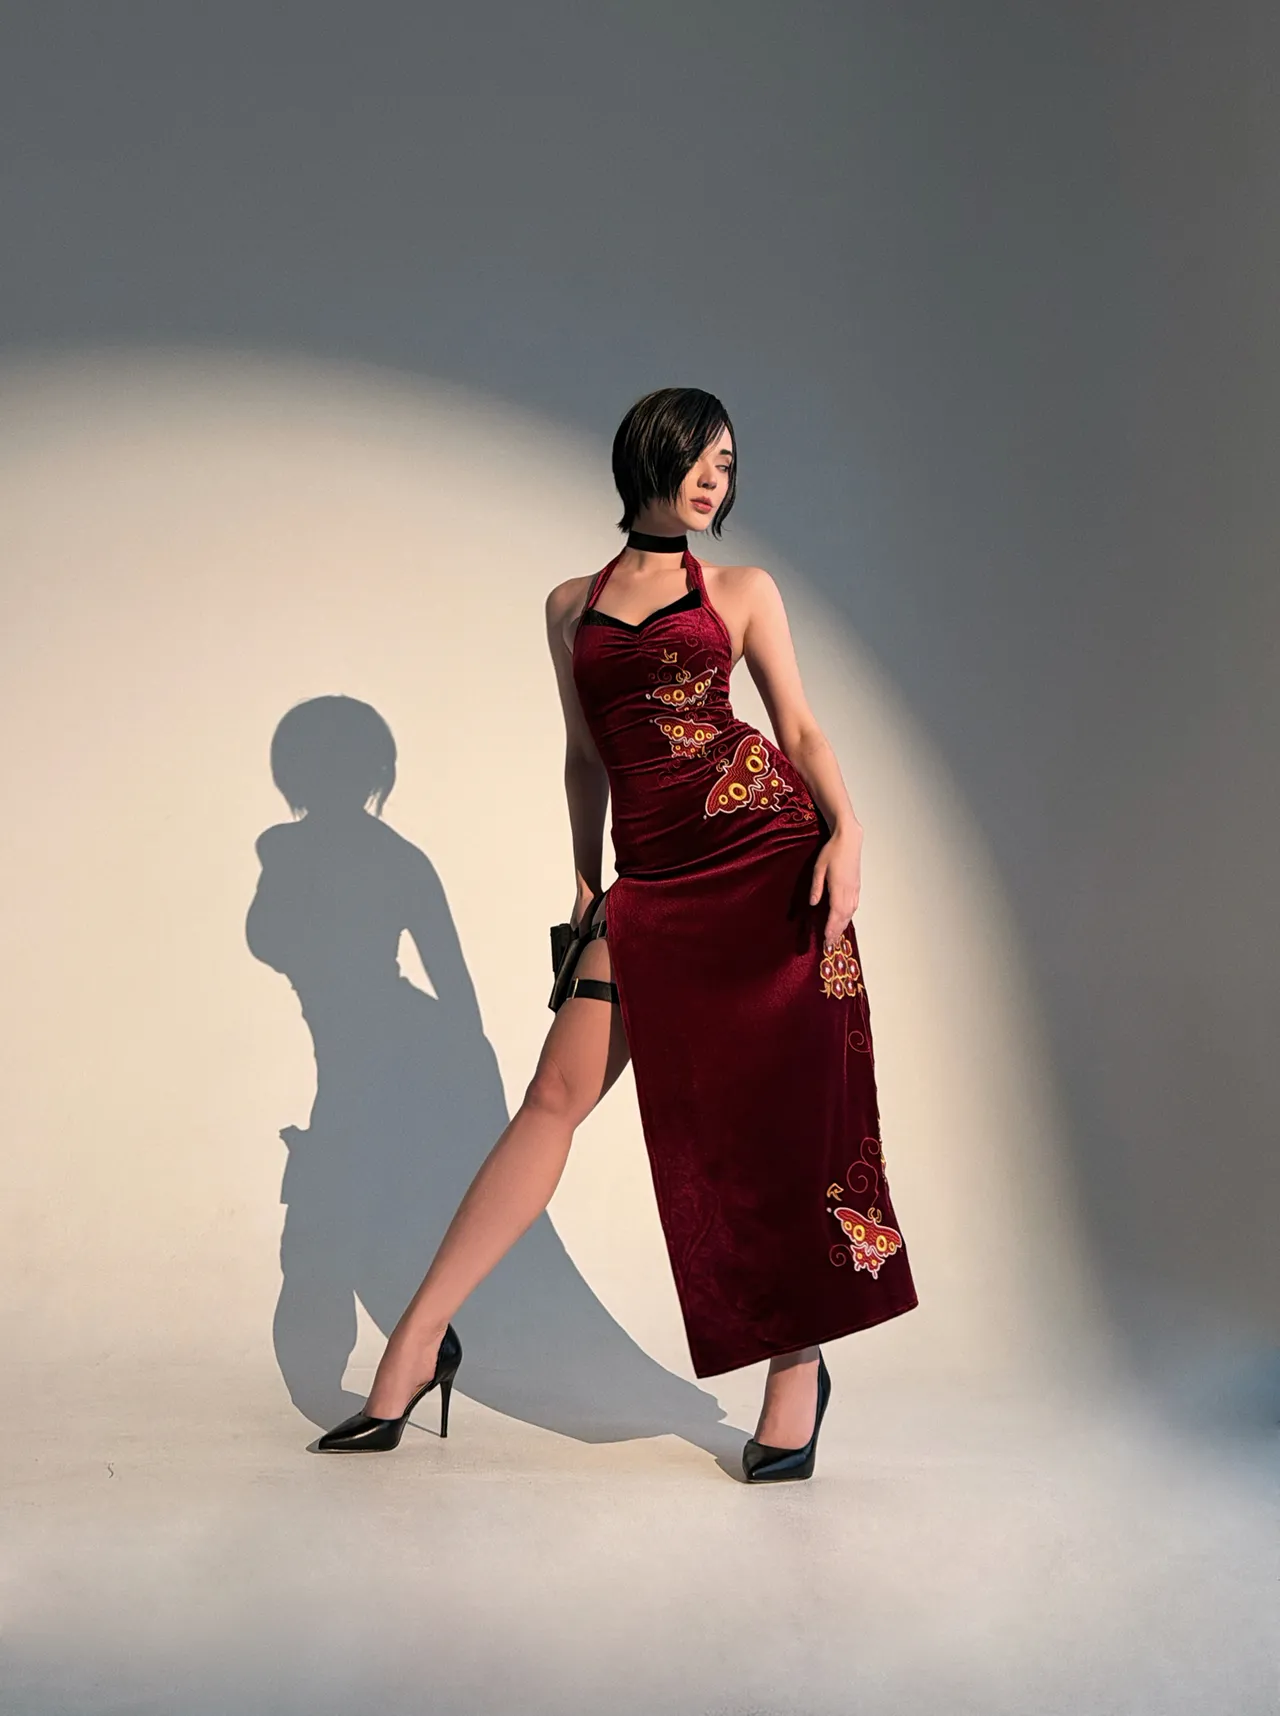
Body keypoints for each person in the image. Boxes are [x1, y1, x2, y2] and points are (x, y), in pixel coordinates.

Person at [317, 386, 917, 1480]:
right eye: (700, 458)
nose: (714, 480)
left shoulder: (740, 590)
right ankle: (416, 1340)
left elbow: (798, 726)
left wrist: (849, 831)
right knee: (552, 1098)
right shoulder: (568, 607)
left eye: (727, 465)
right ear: (651, 454)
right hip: (651, 883)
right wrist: (587, 877)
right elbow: (584, 753)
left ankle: (797, 1369)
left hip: (765, 861)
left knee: (780, 1122)